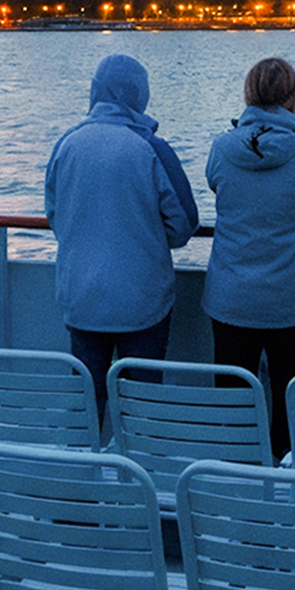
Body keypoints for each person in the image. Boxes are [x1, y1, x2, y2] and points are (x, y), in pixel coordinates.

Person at [201, 56, 295, 458]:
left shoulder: (221, 149)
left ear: (248, 95)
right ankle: (289, 497)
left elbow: (216, 184)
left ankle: (237, 490)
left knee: (233, 411)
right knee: (293, 404)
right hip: (292, 302)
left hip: (231, 298)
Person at [44, 54, 198, 425]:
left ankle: (84, 474)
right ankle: (136, 474)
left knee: (84, 406)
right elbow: (184, 224)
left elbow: (54, 214)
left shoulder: (67, 145)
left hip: (81, 296)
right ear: (139, 95)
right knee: (141, 408)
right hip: (141, 302)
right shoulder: (151, 147)